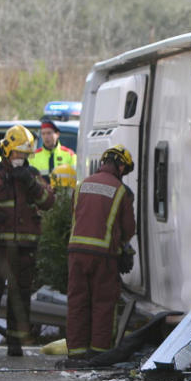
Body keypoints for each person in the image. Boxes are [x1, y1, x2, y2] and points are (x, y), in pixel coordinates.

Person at [0, 125, 54, 357]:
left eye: (25, 154)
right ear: (7, 151)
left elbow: (48, 202)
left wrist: (32, 184)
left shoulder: (33, 175)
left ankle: (15, 342)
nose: (21, 158)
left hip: (25, 248)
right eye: (18, 153)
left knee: (21, 294)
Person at [63, 145, 135, 367]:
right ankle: (99, 354)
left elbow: (76, 215)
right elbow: (128, 228)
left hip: (76, 253)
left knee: (77, 302)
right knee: (103, 304)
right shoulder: (121, 190)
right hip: (103, 255)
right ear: (120, 165)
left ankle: (76, 353)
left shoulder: (82, 184)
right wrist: (123, 248)